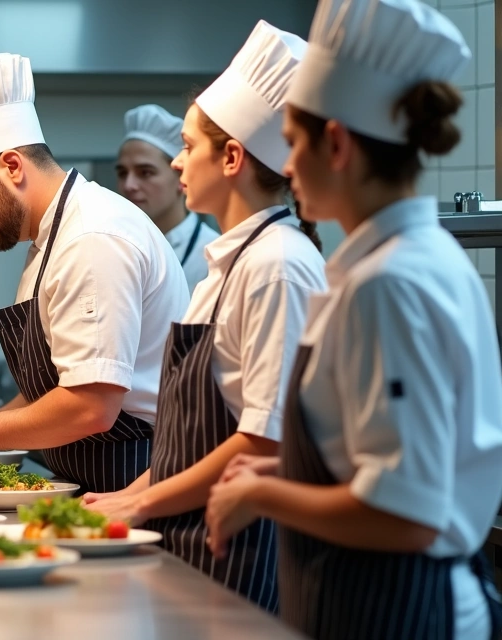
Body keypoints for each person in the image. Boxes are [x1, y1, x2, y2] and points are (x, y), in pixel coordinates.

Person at [205, 1, 502, 637]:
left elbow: (407, 515)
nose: (285, 168)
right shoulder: (402, 261)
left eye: (291, 144)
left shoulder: (388, 284)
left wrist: (259, 495)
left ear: (335, 143)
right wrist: (283, 470)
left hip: (404, 607)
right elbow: (386, 458)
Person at [84, 21, 326, 612]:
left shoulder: (278, 265)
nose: (176, 160)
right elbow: (185, 443)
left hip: (242, 553)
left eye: (188, 146)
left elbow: (265, 442)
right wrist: (126, 494)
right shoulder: (228, 265)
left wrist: (140, 505)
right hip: (191, 542)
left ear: (233, 157)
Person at [0, 53, 190, 493]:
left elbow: (92, 407)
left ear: (12, 166)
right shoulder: (51, 239)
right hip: (86, 480)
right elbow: (51, 389)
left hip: (134, 480)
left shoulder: (92, 237)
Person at [118, 104, 219, 292]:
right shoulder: (116, 248)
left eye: (145, 172)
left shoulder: (213, 257)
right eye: (123, 173)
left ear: (180, 176)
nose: (128, 185)